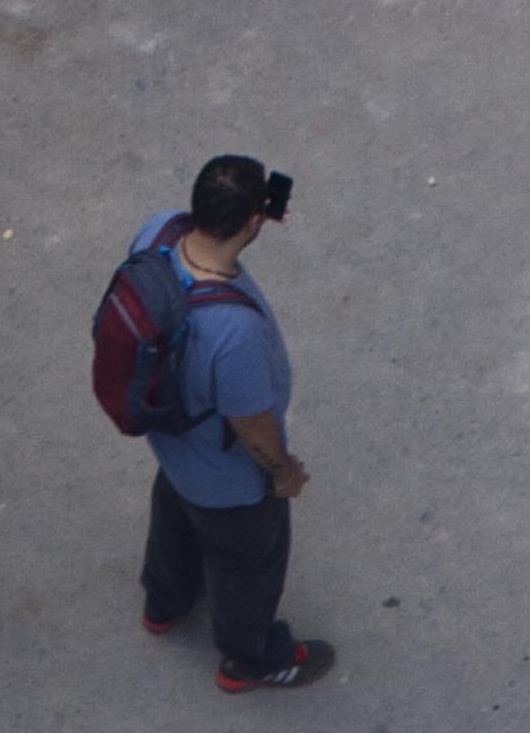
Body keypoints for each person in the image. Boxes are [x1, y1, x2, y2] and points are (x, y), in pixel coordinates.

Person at [131, 152, 333, 690]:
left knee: (174, 514)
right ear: (252, 222)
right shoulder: (231, 332)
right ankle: (251, 657)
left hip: (172, 444)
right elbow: (250, 426)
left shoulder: (157, 231)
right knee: (248, 563)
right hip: (226, 479)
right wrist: (283, 472)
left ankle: (164, 603)